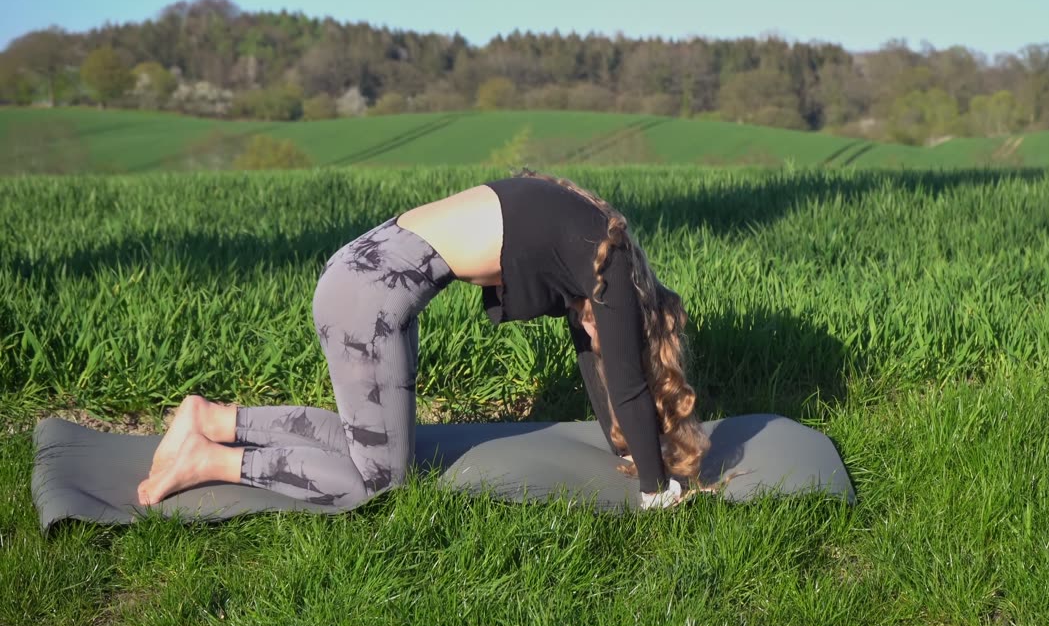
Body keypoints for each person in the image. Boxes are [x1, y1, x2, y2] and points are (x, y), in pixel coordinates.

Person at [137, 168, 710, 511]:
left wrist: (626, 451)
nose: (602, 332)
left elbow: (594, 361)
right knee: (378, 482)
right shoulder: (610, 274)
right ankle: (209, 461)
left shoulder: (587, 232)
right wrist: (656, 490)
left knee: (378, 443)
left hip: (364, 276)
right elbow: (629, 385)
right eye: (619, 330)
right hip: (370, 297)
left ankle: (211, 421)